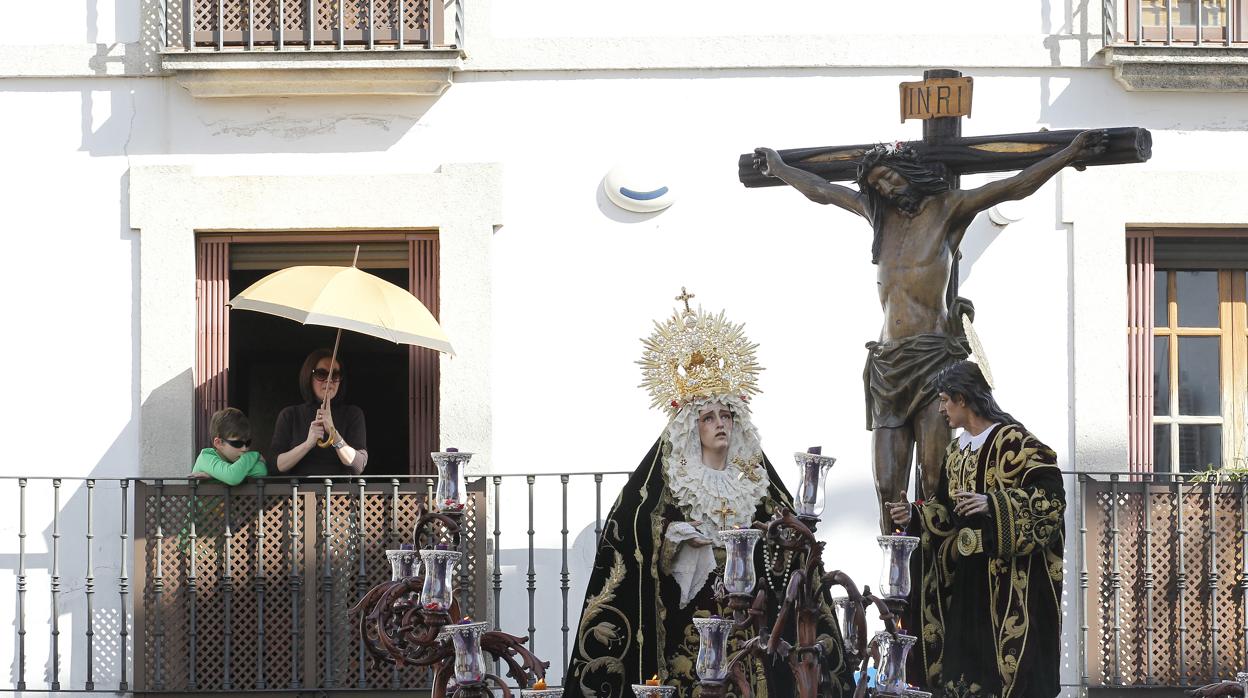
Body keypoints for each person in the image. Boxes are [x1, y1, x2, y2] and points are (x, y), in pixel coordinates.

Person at [753, 130, 1105, 532]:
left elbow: (1012, 186)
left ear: (908, 170)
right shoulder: (879, 218)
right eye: (877, 185)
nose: (885, 188)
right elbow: (823, 191)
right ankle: (897, 585)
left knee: (934, 477)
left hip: (934, 358)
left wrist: (1067, 154)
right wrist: (780, 169)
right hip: (888, 364)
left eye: (889, 177)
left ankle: (935, 576)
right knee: (887, 484)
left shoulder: (947, 209)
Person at [564, 293, 856, 698]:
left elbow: (791, 546)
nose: (720, 424)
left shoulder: (757, 483)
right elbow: (636, 538)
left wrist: (774, 543)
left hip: (753, 623)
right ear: (691, 427)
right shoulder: (669, 482)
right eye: (708, 417)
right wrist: (675, 538)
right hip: (689, 624)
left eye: (726, 415)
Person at [886, 360, 1065, 698]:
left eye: (943, 400)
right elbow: (944, 510)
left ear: (962, 399)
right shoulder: (955, 452)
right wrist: (912, 515)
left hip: (1005, 580)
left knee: (996, 669)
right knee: (962, 669)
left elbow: (1051, 499)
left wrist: (993, 504)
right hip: (965, 580)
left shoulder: (1014, 441)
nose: (940, 410)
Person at [271, 348, 368, 476]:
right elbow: (275, 466)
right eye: (321, 374)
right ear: (308, 376)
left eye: (335, 375)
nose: (329, 381)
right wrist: (307, 444)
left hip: (338, 494)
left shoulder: (352, 414)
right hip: (298, 493)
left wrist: (333, 433)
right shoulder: (290, 415)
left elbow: (358, 465)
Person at [190, 407, 267, 485]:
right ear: (218, 443)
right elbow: (233, 477)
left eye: (247, 443)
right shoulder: (205, 458)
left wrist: (216, 475)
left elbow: (261, 470)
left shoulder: (235, 461)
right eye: (237, 443)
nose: (244, 448)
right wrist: (254, 455)